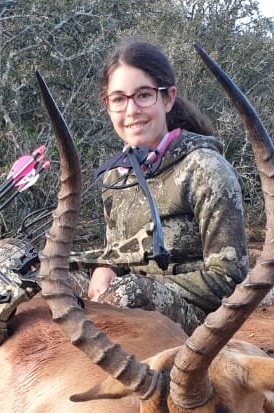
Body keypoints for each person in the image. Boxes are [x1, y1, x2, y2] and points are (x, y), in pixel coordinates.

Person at [72, 41, 249, 333]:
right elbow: (118, 255)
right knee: (25, 270)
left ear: (168, 99)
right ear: (108, 105)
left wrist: (135, 286)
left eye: (143, 95)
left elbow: (230, 280)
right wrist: (106, 269)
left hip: (196, 322)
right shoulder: (116, 176)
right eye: (118, 99)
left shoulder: (205, 168)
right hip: (122, 302)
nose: (131, 111)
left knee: (126, 295)